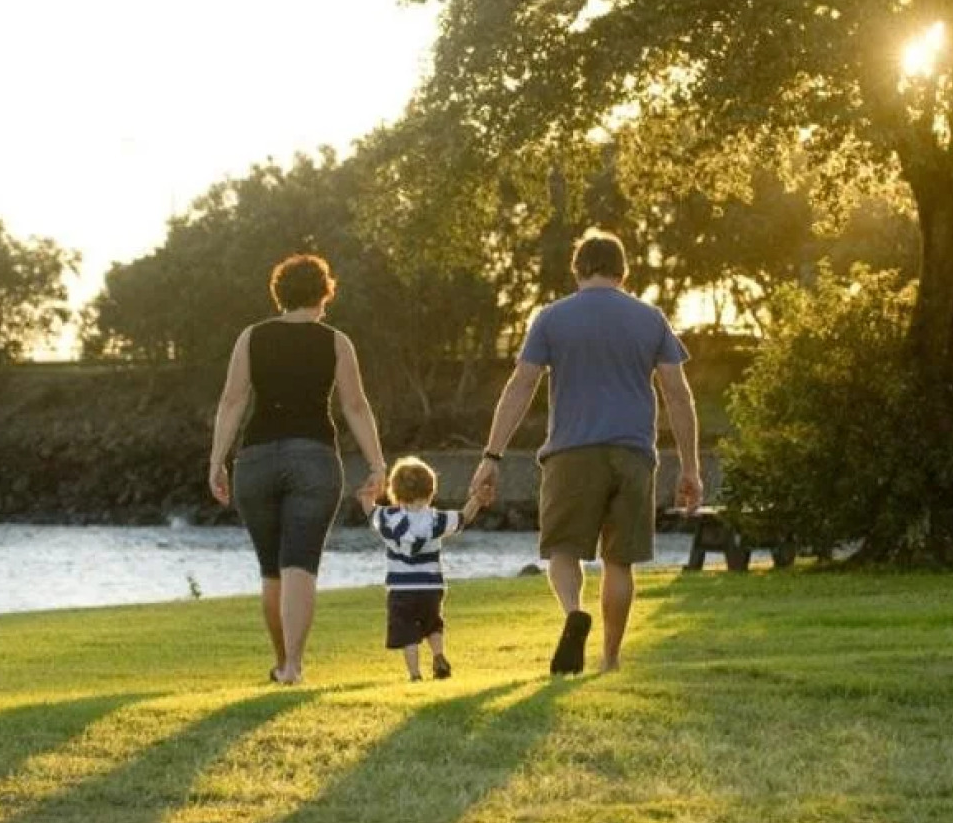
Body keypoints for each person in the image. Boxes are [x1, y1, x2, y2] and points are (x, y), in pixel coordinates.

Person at [469, 228, 702, 675]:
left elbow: (521, 385)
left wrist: (492, 456)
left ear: (577, 269)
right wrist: (689, 466)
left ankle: (574, 612)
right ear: (623, 270)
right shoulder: (650, 318)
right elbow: (679, 394)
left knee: (563, 551)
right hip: (634, 453)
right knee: (620, 561)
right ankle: (610, 660)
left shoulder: (552, 318)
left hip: (571, 453)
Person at [209, 253, 386, 686]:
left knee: (272, 568)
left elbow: (232, 402)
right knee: (300, 564)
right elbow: (355, 406)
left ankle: (281, 662)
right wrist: (378, 464)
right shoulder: (336, 342)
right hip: (314, 459)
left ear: (280, 294)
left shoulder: (251, 337)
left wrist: (217, 460)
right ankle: (293, 666)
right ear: (324, 293)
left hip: (256, 459)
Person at [359, 456, 491, 681]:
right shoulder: (435, 520)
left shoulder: (388, 518)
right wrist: (477, 500)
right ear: (430, 490)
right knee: (432, 623)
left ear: (395, 491)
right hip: (431, 586)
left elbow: (371, 512)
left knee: (407, 632)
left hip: (401, 589)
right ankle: (438, 655)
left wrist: (367, 496)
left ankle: (415, 674)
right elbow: (462, 518)